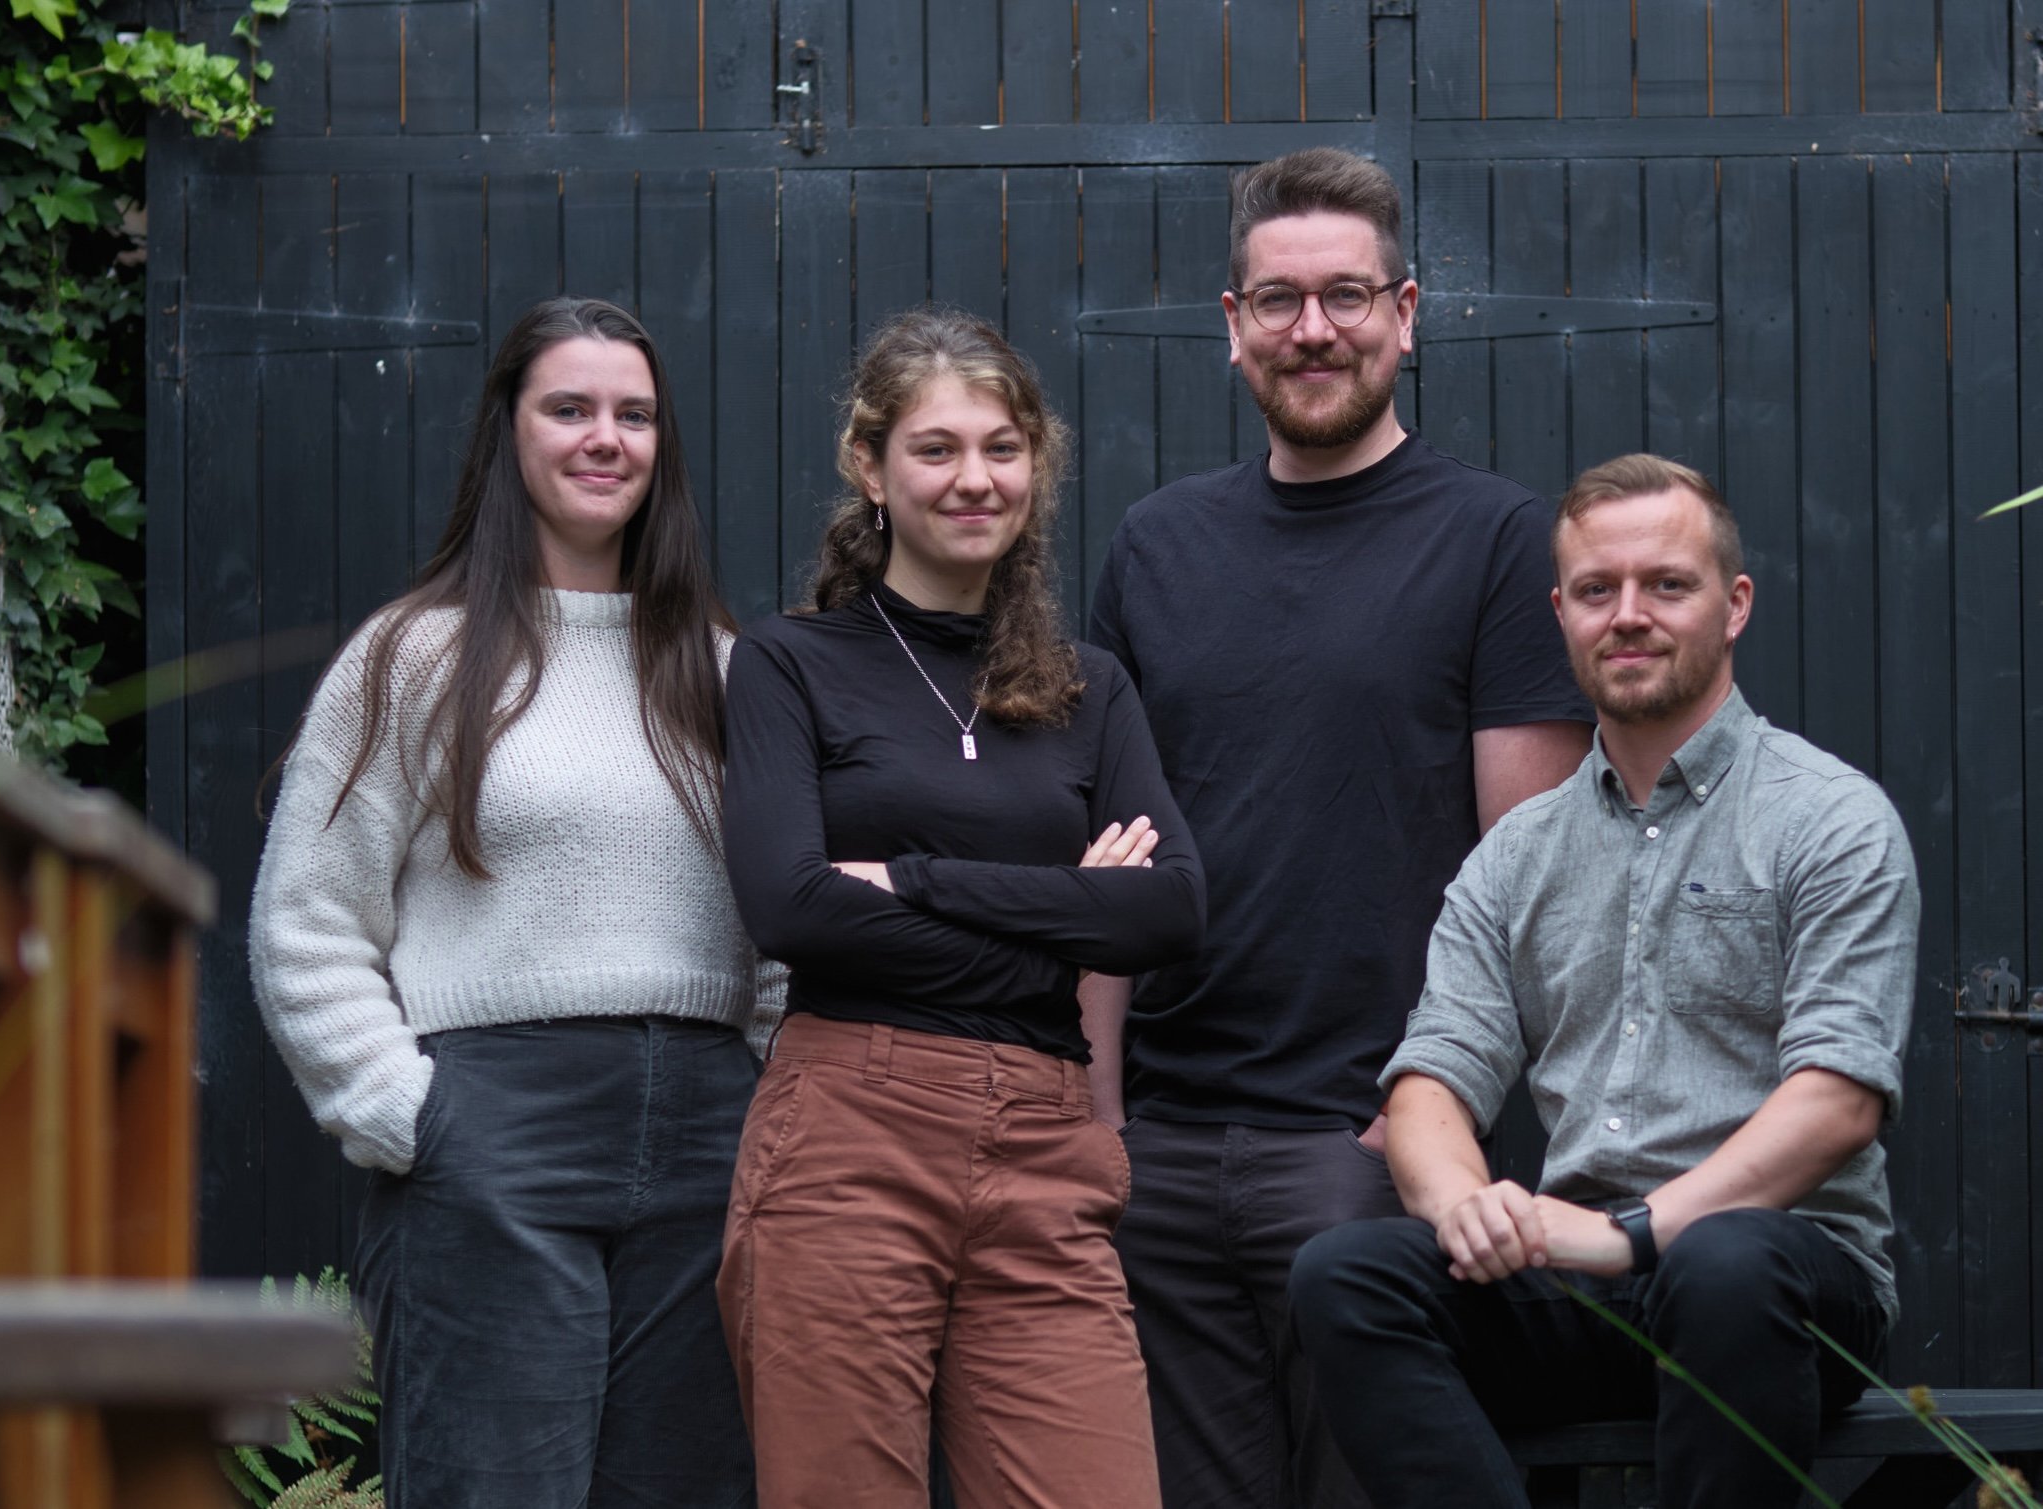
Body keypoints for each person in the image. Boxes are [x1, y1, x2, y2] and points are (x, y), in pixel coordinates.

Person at [1083, 146, 1596, 1506]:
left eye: (1348, 297)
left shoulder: (1493, 540)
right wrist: (1097, 1116)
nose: (1315, 329)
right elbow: (1108, 860)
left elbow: (1528, 878)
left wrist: (1432, 1117)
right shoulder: (1152, 547)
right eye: (1280, 300)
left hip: (1366, 1143)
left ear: (1408, 314)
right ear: (1232, 324)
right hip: (1167, 1148)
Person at [1287, 453, 1920, 1509]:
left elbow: (1839, 1101)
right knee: (1345, 1276)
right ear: (1562, 613)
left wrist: (1633, 1232)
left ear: (1734, 606)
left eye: (1666, 585)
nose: (1627, 615)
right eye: (1596, 590)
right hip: (1574, 1279)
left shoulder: (1828, 819)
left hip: (1780, 1284)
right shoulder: (1516, 854)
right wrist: (1461, 1208)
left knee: (1722, 1262)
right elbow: (1429, 1081)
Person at [249, 296, 778, 1509]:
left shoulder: (727, 671)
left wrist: (762, 1099)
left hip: (709, 1142)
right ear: (510, 434)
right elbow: (308, 922)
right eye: (571, 409)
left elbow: (780, 926)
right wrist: (412, 1119)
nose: (606, 438)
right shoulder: (414, 658)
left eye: (634, 415)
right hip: (492, 1134)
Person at [717, 307, 1205, 1509]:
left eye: (1001, 447)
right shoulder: (790, 664)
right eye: (934, 449)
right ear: (870, 469)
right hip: (848, 1136)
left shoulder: (1091, 688)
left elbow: (1170, 914)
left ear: (1037, 467)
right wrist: (1066, 902)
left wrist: (917, 879)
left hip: (1046, 1141)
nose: (971, 478)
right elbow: (791, 909)